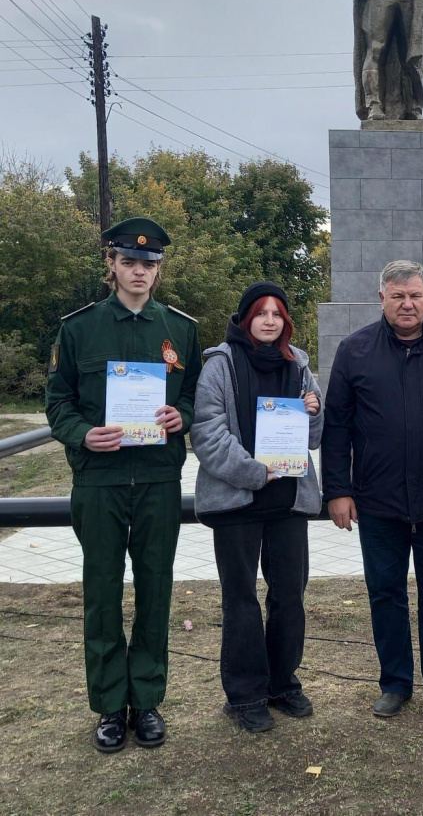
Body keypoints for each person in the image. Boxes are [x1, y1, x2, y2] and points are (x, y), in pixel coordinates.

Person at [45, 218, 201, 753]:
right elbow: (57, 403)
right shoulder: (78, 328)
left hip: (158, 478)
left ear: (159, 271)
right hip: (100, 480)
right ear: (110, 265)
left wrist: (181, 415)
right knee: (102, 594)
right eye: (129, 262)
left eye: (149, 264)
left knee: (156, 589)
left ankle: (148, 700)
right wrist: (84, 435)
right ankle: (111, 705)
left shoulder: (180, 329)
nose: (139, 271)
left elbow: (196, 397)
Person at [322, 260, 423, 726]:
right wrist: (338, 489)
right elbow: (337, 427)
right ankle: (394, 683)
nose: (407, 304)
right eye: (398, 296)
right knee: (385, 594)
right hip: (377, 501)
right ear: (382, 299)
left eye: (414, 295)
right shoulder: (354, 351)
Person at [191, 282, 323, 733]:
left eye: (278, 314)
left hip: (288, 502)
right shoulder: (219, 365)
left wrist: (315, 409)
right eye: (261, 313)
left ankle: (283, 683)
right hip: (237, 501)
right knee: (241, 600)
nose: (270, 321)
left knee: (289, 596)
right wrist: (253, 471)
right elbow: (207, 433)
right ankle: (245, 696)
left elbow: (314, 437)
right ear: (246, 318)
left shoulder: (300, 365)